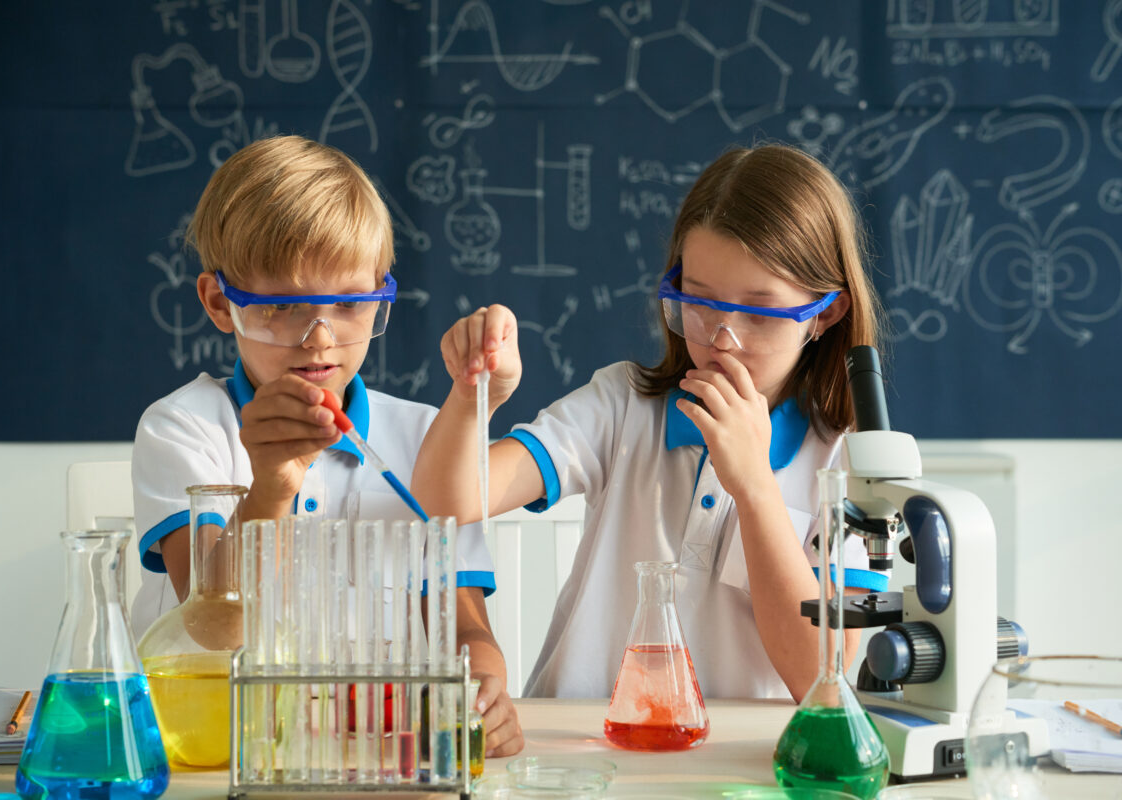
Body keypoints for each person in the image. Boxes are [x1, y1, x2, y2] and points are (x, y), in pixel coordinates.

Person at [411, 143, 888, 702]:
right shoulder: (621, 406)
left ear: (826, 312)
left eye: (759, 311)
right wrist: (476, 394)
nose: (719, 337)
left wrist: (756, 487)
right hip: (585, 755)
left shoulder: (849, 466)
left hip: (736, 776)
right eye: (700, 300)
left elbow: (822, 680)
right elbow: (446, 501)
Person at [131, 135, 523, 755]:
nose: (319, 339)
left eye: (348, 304)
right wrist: (271, 483)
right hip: (218, 752)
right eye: (282, 306)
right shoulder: (185, 428)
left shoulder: (428, 442)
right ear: (219, 303)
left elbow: (465, 628)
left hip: (375, 757)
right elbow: (209, 626)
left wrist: (482, 691)